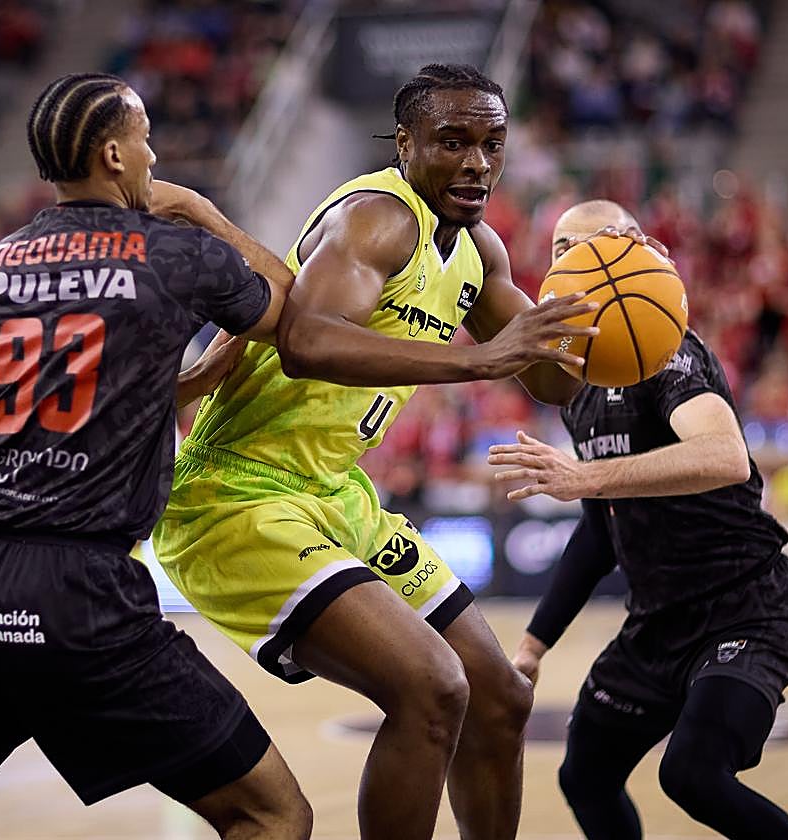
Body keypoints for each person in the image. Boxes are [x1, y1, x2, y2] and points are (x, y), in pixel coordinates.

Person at [0, 73, 312, 840]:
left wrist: (201, 375)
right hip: (79, 590)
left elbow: (75, 408)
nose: (154, 154)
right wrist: (206, 213)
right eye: (145, 137)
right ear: (114, 155)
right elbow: (291, 311)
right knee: (273, 814)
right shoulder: (172, 252)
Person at [154, 63, 600, 840]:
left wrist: (610, 336)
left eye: (492, 144)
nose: (477, 163)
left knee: (499, 696)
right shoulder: (378, 218)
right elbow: (304, 342)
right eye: (453, 141)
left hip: (333, 495)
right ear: (406, 143)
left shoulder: (479, 250)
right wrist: (473, 361)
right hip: (238, 495)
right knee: (431, 690)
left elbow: (550, 384)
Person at [496, 199, 788, 840]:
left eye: (580, 248)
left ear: (624, 255)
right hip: (656, 626)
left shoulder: (665, 352)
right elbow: (598, 533)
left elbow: (725, 456)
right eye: (557, 250)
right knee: (584, 774)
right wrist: (533, 645)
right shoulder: (578, 384)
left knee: (692, 775)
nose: (563, 264)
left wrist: (583, 475)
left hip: (746, 609)